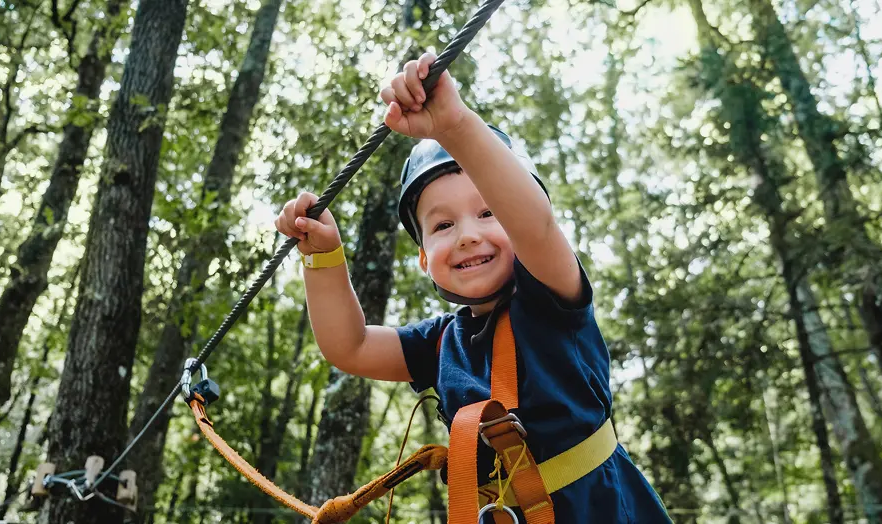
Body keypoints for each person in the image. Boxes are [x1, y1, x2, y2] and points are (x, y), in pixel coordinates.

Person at [275, 52, 671, 523]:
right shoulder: (441, 342)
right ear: (425, 259)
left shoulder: (551, 298)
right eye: (442, 225)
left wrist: (454, 126)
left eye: (488, 213)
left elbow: (536, 228)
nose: (466, 234)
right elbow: (351, 346)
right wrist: (323, 257)